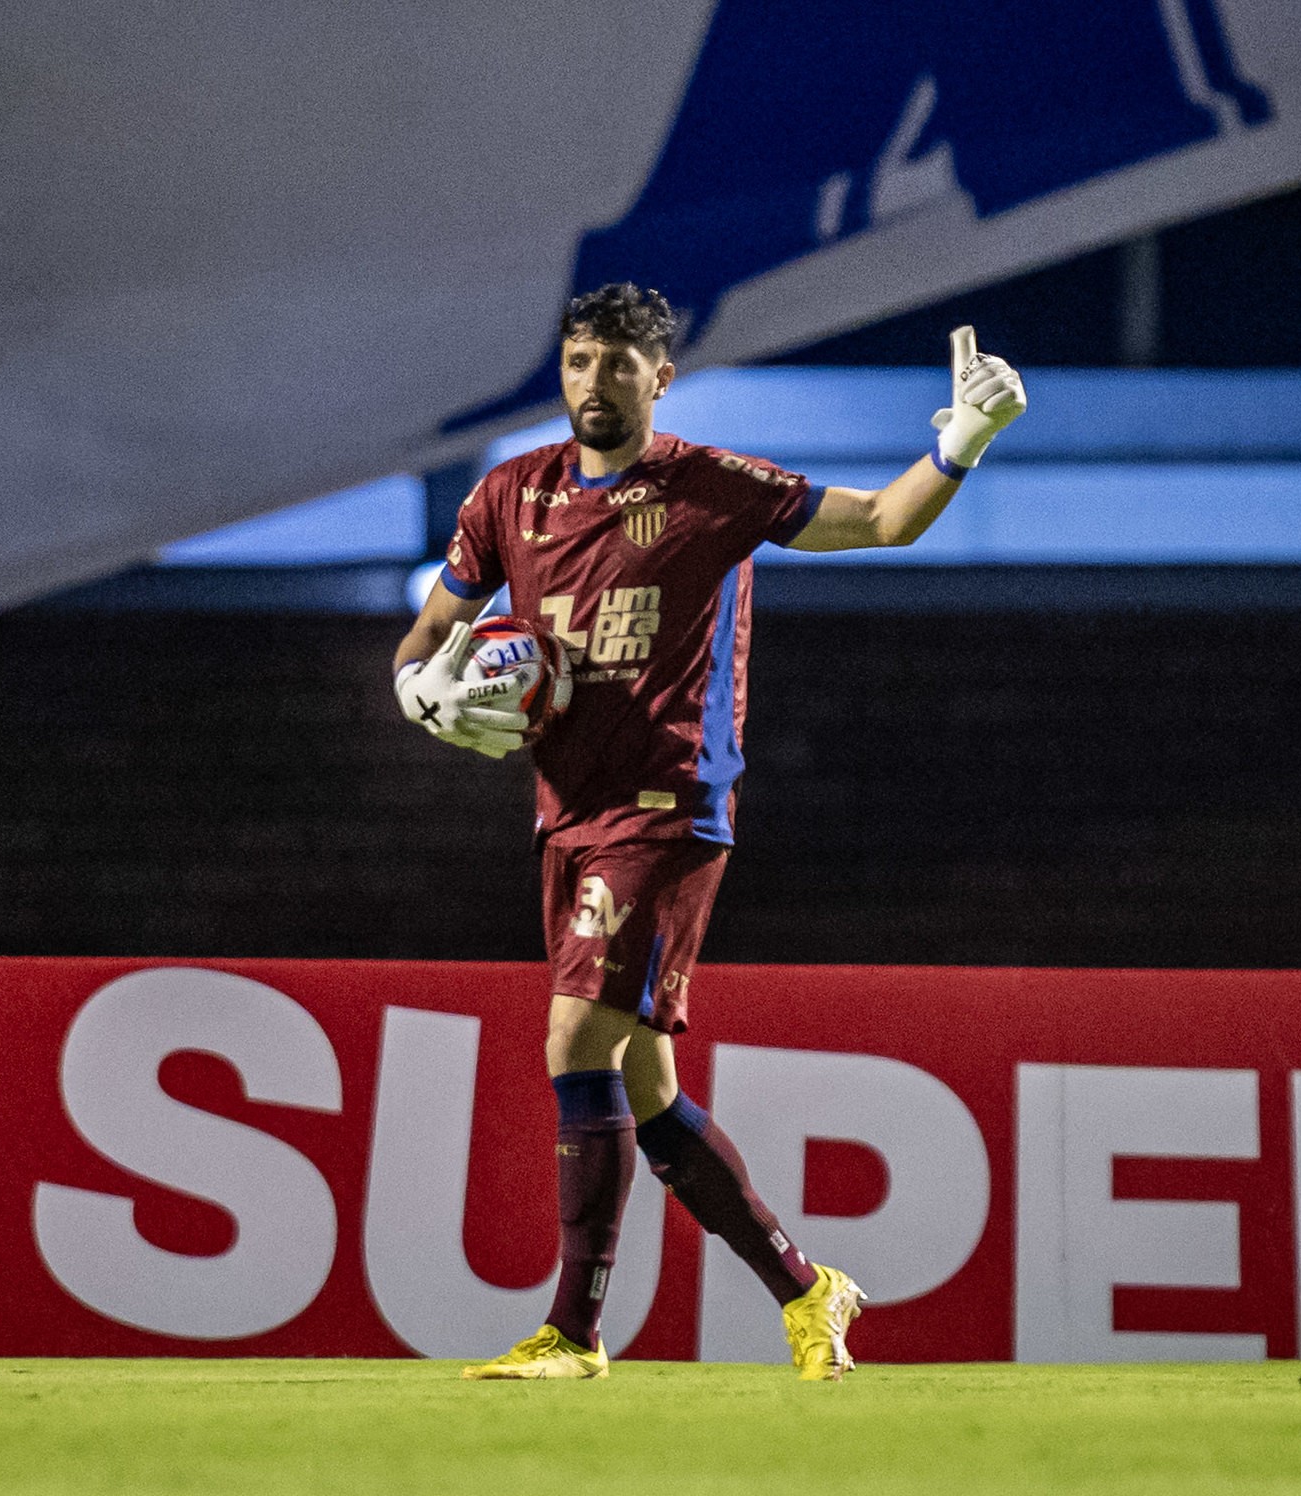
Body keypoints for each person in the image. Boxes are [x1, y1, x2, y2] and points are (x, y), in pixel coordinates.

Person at [394, 283, 1023, 1380]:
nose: (594, 380)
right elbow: (430, 632)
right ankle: (806, 1290)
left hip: (667, 807)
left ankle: (573, 1334)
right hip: (566, 813)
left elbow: (882, 520)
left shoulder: (710, 487)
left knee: (572, 1044)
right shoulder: (509, 495)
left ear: (659, 379)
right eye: (579, 360)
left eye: (617, 363)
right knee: (644, 1090)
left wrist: (963, 438)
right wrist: (418, 693)